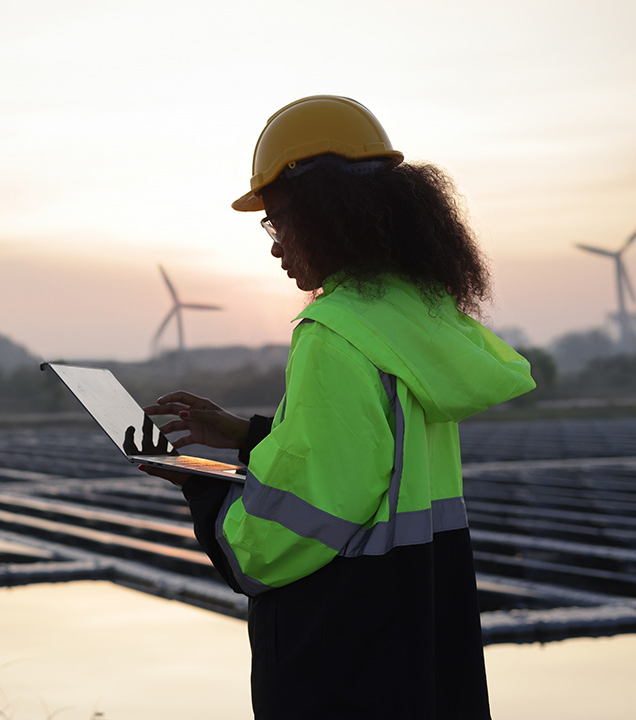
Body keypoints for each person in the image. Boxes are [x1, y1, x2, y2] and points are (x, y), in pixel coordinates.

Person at [137, 95, 537, 719]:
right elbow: (374, 457)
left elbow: (277, 541)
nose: (273, 246)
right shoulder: (419, 322)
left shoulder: (334, 333)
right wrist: (248, 435)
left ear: (327, 211)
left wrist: (204, 492)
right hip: (420, 643)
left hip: (346, 663)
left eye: (276, 221)